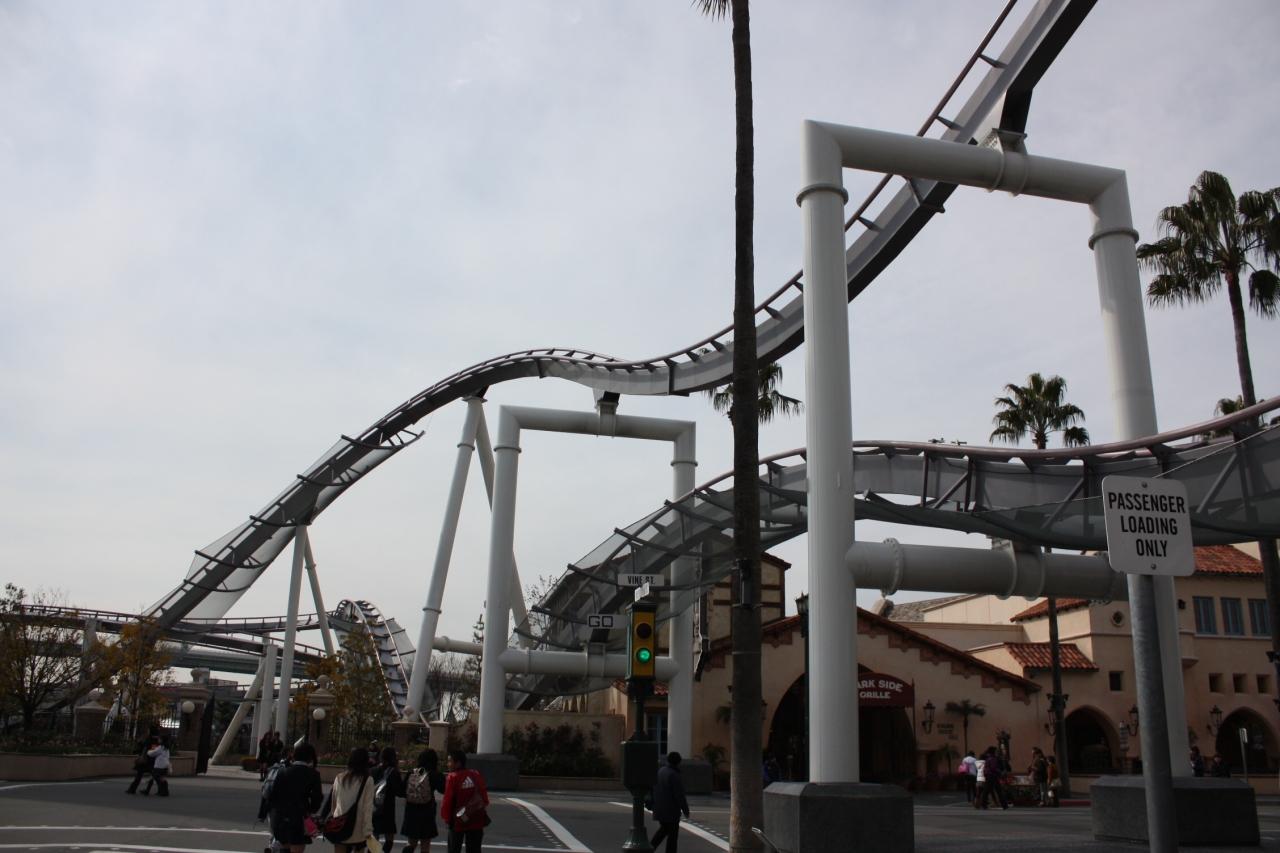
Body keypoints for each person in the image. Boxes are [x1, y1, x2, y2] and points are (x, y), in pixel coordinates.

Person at [266, 742, 323, 853]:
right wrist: (311, 811)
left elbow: (273, 796)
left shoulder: (282, 771)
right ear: (310, 757)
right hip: (299, 818)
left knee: (284, 848)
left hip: (280, 817)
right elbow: (317, 799)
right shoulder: (313, 774)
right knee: (297, 848)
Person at [327, 747, 375, 853]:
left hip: (340, 824)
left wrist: (334, 818)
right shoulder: (368, 780)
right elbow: (367, 808)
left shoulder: (339, 778)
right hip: (357, 829)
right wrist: (368, 831)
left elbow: (334, 803)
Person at [441, 749, 489, 853]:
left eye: (449, 761)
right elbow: (484, 797)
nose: (448, 764)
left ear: (458, 763)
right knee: (474, 849)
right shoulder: (476, 774)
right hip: (476, 818)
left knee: (454, 849)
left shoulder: (452, 777)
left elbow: (447, 801)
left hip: (458, 819)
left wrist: (447, 818)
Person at [402, 750, 446, 853]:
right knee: (425, 845)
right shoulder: (434, 774)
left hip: (411, 812)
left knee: (411, 843)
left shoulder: (412, 773)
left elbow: (402, 790)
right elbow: (443, 789)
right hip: (427, 812)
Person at [649, 751, 690, 853]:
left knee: (663, 830)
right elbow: (679, 795)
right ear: (678, 762)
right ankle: (652, 848)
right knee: (672, 836)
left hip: (659, 808)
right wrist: (685, 810)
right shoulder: (674, 775)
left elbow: (653, 789)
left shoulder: (660, 771)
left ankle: (650, 848)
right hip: (671, 811)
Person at [373, 746, 404, 853]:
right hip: (387, 809)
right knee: (389, 838)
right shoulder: (393, 772)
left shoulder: (373, 770)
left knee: (374, 837)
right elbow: (399, 792)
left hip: (374, 807)